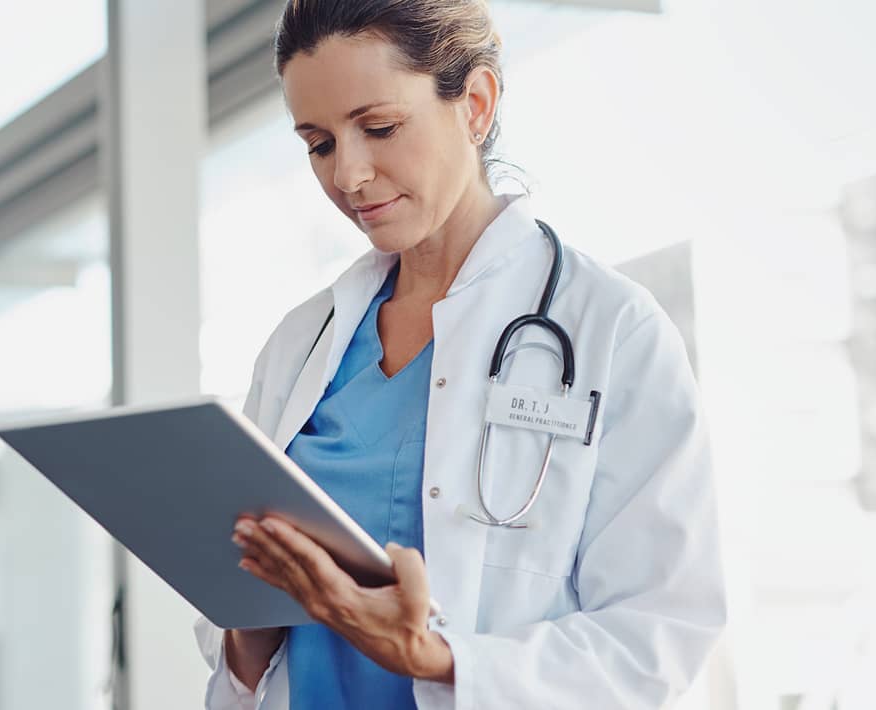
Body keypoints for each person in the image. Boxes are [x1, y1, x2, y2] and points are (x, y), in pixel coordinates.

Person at [193, 1, 727, 708]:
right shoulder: (302, 343)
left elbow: (657, 637)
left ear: (475, 104)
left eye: (379, 128)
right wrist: (249, 635)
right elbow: (242, 647)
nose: (348, 174)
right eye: (319, 144)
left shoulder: (612, 329)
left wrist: (440, 660)